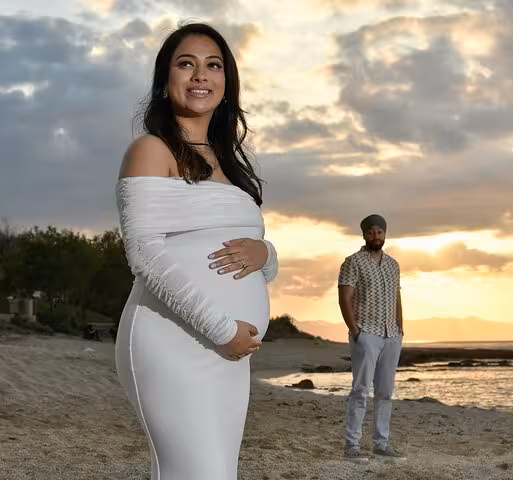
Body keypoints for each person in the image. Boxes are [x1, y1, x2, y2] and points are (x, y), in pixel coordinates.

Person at [114, 23, 279, 480]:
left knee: (213, 472)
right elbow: (144, 254)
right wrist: (221, 328)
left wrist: (267, 254)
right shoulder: (152, 149)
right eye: (186, 64)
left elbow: (251, 256)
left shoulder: (229, 160)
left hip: (229, 349)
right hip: (175, 339)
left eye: (213, 65)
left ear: (227, 83)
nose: (200, 75)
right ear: (165, 81)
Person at [338, 214, 405, 462]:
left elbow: (397, 297)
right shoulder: (352, 262)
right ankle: (352, 447)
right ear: (364, 234)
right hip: (367, 333)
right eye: (371, 232)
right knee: (360, 391)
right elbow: (344, 298)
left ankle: (381, 444)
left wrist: (401, 327)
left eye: (380, 232)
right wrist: (355, 330)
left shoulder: (393, 265)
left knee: (385, 392)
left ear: (385, 234)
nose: (375, 236)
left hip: (391, 335)